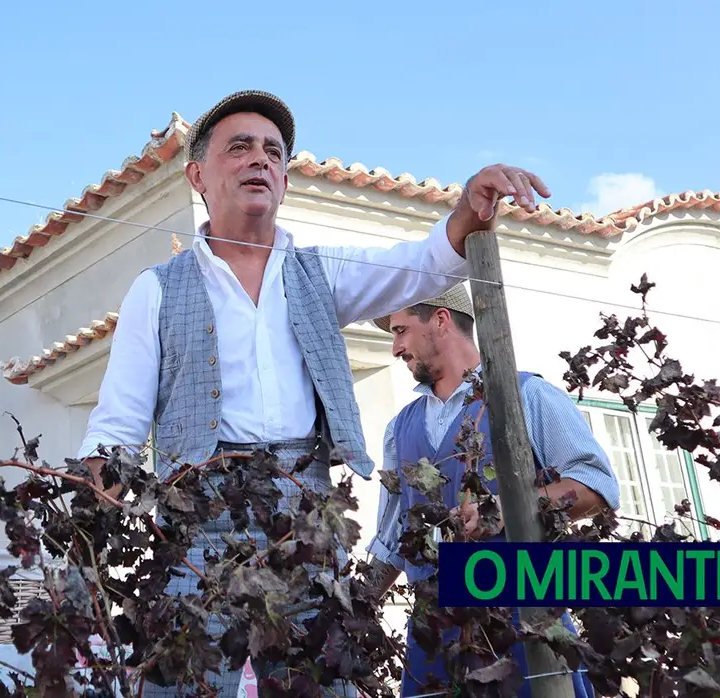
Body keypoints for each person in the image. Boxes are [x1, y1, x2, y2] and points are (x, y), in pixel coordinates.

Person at [77, 88, 551, 697]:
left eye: (273, 152)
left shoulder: (318, 273)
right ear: (198, 174)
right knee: (184, 687)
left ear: (284, 180)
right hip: (198, 519)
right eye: (240, 147)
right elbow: (117, 425)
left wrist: (465, 212)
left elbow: (418, 267)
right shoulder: (157, 289)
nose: (261, 160)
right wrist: (93, 508)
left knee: (321, 685)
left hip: (305, 515)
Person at [366, 283, 621, 698]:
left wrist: (513, 507)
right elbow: (393, 537)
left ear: (441, 320)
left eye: (400, 331)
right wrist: (350, 607)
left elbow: (597, 485)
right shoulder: (400, 428)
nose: (395, 348)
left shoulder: (526, 396)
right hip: (434, 633)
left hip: (522, 619)